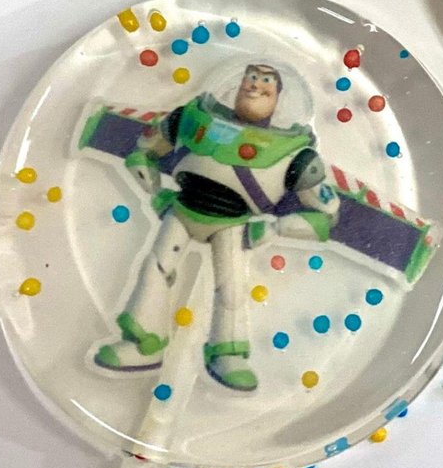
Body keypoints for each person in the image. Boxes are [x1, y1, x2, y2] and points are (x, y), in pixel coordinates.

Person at [89, 62, 339, 393]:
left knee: (231, 288)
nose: (255, 85)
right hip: (182, 209)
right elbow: (145, 151)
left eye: (266, 81)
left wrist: (275, 229)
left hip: (232, 224)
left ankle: (228, 353)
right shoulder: (193, 118)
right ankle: (145, 341)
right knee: (155, 269)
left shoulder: (294, 154)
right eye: (251, 77)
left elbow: (325, 214)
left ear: (279, 96)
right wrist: (154, 189)